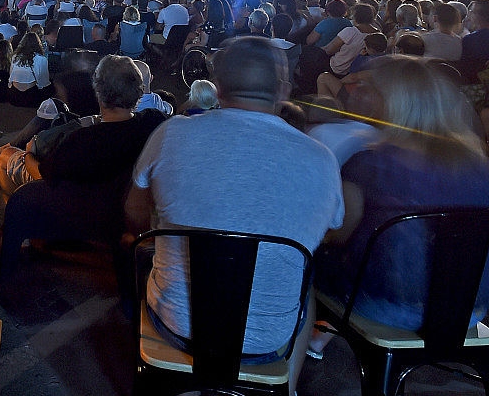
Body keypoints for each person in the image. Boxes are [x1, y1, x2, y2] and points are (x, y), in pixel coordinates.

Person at [128, 37, 342, 384]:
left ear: (217, 87)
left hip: (175, 325)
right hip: (269, 342)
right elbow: (327, 233)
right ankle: (287, 387)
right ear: (283, 88)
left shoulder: (171, 134)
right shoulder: (321, 157)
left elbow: (134, 215)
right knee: (306, 278)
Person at [313, 57, 489, 346]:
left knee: (306, 261)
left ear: (390, 105)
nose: (359, 94)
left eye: (370, 90)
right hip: (469, 308)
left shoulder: (369, 165)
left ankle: (305, 346)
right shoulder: (482, 168)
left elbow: (339, 234)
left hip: (385, 303)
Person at [0, 55, 165, 196]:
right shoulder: (154, 121)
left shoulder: (82, 138)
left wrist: (28, 155)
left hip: (79, 206)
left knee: (6, 155)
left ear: (98, 91)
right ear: (140, 90)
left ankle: (20, 214)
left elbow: (44, 175)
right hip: (126, 199)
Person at [8, 32, 51, 108]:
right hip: (30, 96)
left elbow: (11, 76)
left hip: (14, 95)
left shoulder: (15, 57)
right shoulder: (41, 59)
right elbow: (43, 82)